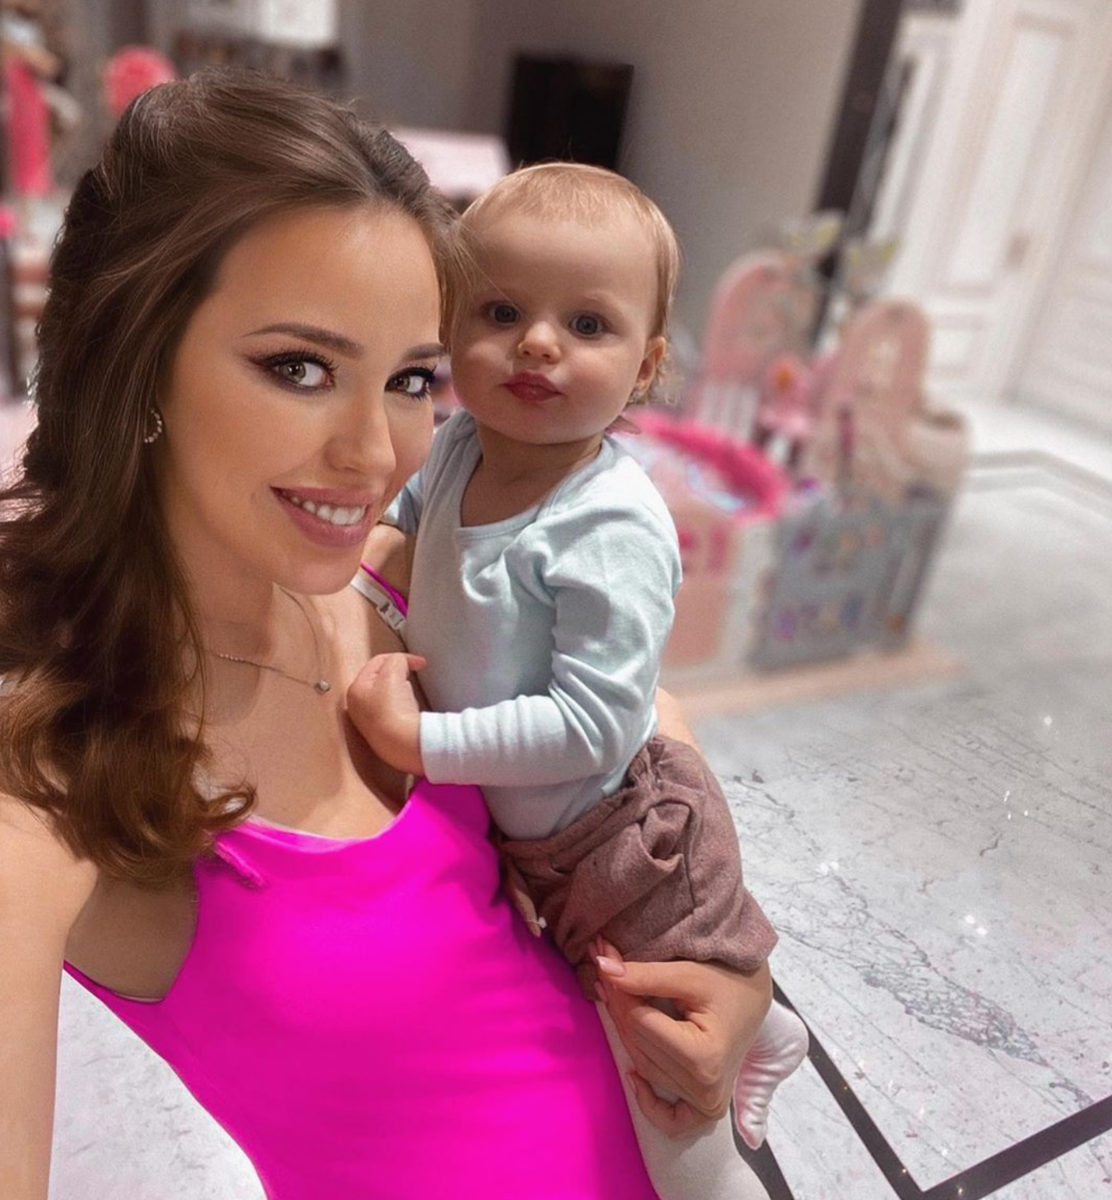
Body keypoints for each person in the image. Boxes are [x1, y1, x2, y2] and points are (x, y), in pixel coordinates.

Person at [0, 70, 775, 1200]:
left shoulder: (386, 576)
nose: (377, 455)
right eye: (299, 368)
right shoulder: (52, 764)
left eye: (413, 378)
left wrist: (719, 958)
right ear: (135, 358)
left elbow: (641, 707)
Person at [347, 163, 810, 1198]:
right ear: (450, 326)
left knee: (668, 1103)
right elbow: (402, 531)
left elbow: (596, 725)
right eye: (502, 312)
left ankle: (751, 1076)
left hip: (628, 844)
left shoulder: (610, 524)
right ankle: (774, 1023)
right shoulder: (458, 448)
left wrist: (423, 744)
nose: (539, 344)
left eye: (587, 324)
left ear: (645, 366)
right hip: (545, 845)